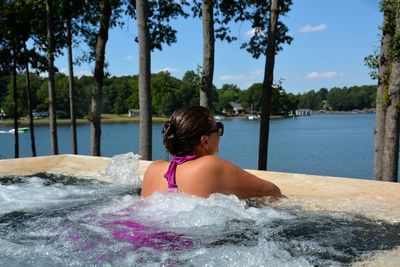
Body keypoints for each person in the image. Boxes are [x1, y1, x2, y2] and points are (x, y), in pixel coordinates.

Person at [141, 106, 282, 199]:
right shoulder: (210, 166)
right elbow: (272, 191)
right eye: (218, 129)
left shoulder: (153, 168)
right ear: (205, 141)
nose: (219, 135)